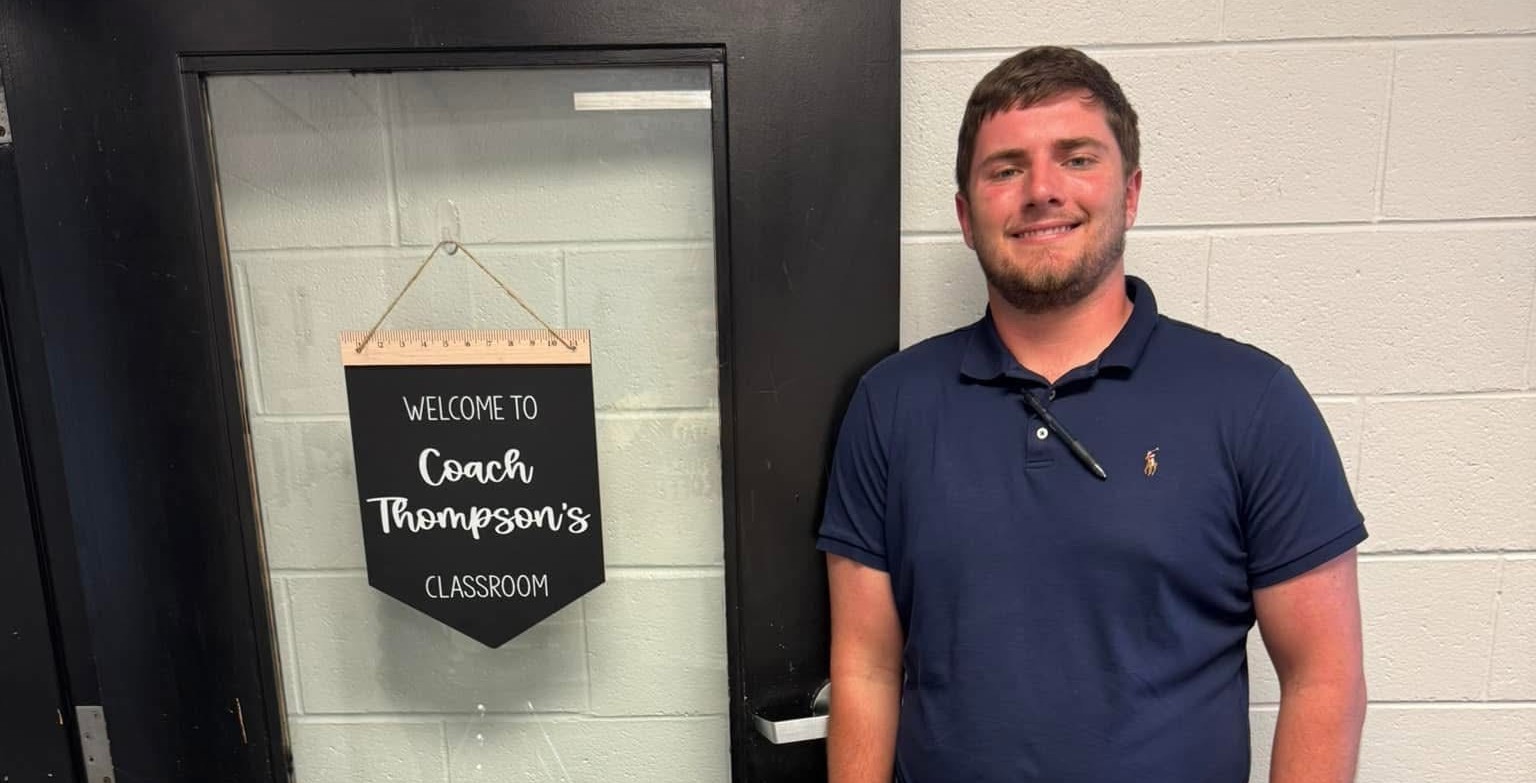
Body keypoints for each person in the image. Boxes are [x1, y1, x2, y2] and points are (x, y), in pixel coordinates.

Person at [818, 46, 1368, 783]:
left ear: (1131, 192)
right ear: (964, 213)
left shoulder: (1254, 402)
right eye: (1006, 168)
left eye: (1076, 159)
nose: (1042, 190)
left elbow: (1324, 680)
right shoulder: (889, 405)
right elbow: (865, 669)